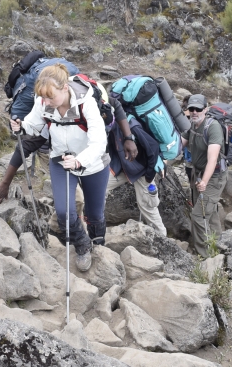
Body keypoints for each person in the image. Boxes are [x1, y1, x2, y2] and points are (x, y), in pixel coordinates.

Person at [12, 64, 109, 271]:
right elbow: (34, 123)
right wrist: (21, 126)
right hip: (60, 160)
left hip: (93, 163)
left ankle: (98, 243)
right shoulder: (43, 101)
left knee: (95, 214)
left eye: (50, 98)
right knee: (64, 212)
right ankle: (82, 245)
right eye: (43, 98)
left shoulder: (87, 104)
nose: (46, 103)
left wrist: (79, 161)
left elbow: (99, 143)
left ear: (65, 88)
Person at [105, 97, 167, 236]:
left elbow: (153, 146)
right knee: (97, 190)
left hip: (142, 171)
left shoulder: (132, 124)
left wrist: (149, 176)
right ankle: (93, 227)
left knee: (147, 206)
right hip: (120, 168)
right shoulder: (108, 123)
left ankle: (163, 238)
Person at [184, 94, 224, 256]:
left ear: (205, 109)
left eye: (198, 109)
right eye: (191, 109)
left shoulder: (213, 127)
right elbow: (180, 143)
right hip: (198, 173)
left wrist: (205, 182)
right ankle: (218, 246)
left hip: (214, 177)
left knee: (199, 215)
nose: (194, 112)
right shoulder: (192, 125)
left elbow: (213, 159)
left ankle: (205, 257)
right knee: (210, 211)